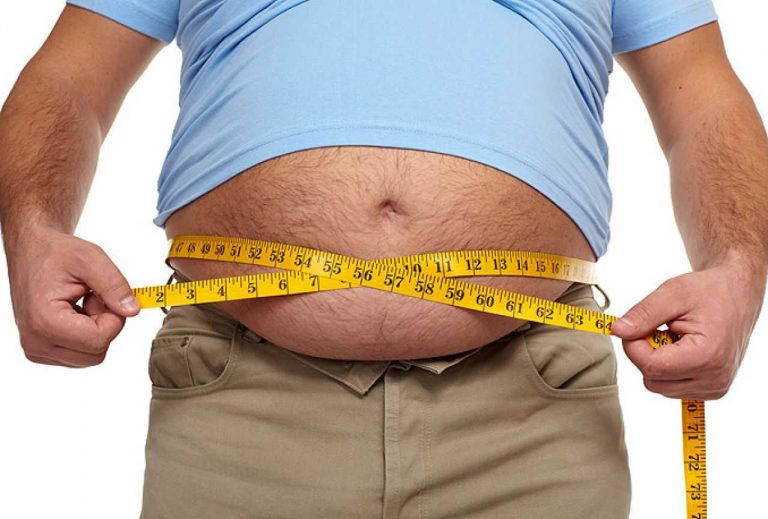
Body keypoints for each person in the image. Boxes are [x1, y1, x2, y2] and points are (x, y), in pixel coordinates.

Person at [1, 1, 766, 517]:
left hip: (532, 405)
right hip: (242, 395)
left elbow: (703, 101)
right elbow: (69, 78)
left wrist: (736, 270)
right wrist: (34, 230)